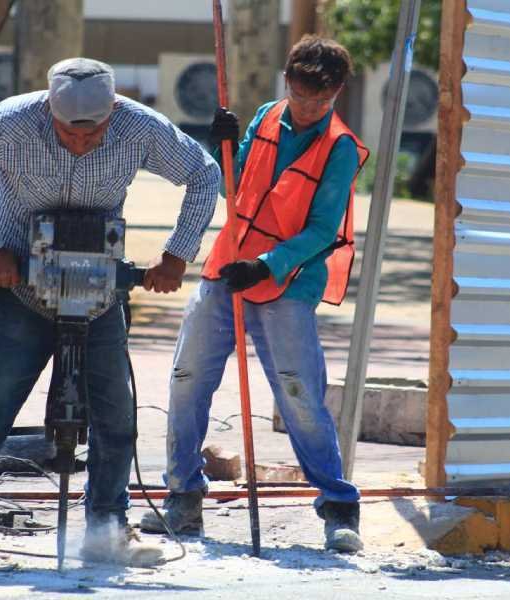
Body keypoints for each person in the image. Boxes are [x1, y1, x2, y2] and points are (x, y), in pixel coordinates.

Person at [0, 57, 220, 567]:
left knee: (115, 412)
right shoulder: (10, 121)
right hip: (19, 287)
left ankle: (107, 527)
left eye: (93, 133)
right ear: (48, 111)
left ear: (113, 113)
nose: (80, 142)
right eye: (68, 133)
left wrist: (177, 254)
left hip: (98, 292)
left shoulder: (140, 127)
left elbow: (204, 173)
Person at [140, 36, 370, 553]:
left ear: (337, 92)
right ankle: (183, 496)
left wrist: (266, 265)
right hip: (227, 269)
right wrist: (221, 146)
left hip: (288, 281)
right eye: (300, 94)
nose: (308, 107)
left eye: (321, 99)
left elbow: (323, 231)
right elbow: (235, 188)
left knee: (299, 394)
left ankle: (339, 507)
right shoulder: (267, 116)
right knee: (187, 379)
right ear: (287, 81)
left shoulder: (339, 148)